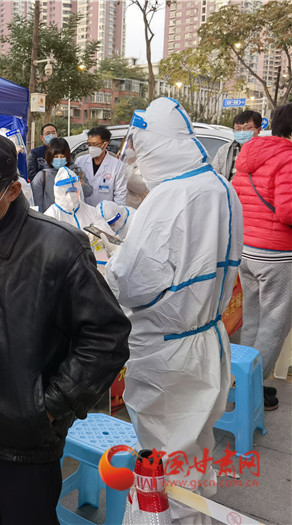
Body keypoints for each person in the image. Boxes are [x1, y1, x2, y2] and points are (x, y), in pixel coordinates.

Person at [0, 131, 131, 525]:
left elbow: (107, 339)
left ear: (13, 191)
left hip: (29, 442)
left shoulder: (60, 248)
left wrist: (49, 406)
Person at [104, 98, 243, 525]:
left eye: (142, 148)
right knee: (192, 453)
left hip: (167, 353)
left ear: (157, 145)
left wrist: (109, 264)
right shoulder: (221, 186)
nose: (138, 158)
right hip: (205, 340)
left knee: (161, 465)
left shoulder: (170, 196)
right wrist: (133, 226)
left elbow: (135, 283)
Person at [232, 102, 292, 410]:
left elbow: (235, 199)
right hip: (277, 254)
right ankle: (252, 386)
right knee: (274, 324)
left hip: (247, 250)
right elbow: (287, 210)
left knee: (253, 319)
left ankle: (242, 378)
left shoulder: (249, 156)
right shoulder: (289, 159)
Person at [43, 163, 116, 268]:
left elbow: (106, 234)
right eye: (67, 191)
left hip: (94, 266)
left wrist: (107, 238)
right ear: (59, 192)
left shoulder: (90, 211)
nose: (72, 195)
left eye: (74, 191)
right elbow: (49, 250)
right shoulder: (51, 216)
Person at [31, 137, 92, 212]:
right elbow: (37, 203)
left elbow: (89, 192)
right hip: (51, 219)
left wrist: (81, 184)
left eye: (62, 157)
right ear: (50, 156)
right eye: (56, 157)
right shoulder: (42, 176)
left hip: (73, 218)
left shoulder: (75, 172)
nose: (59, 159)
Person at [74, 125, 127, 206]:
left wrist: (116, 214)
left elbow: (120, 195)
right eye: (89, 144)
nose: (91, 148)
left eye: (95, 144)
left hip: (106, 214)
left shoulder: (117, 165)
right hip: (84, 211)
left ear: (105, 144)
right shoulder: (80, 161)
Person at [212, 110, 262, 181]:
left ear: (258, 130)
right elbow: (214, 174)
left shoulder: (265, 151)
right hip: (230, 190)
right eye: (238, 129)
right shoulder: (225, 150)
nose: (242, 132)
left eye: (247, 128)